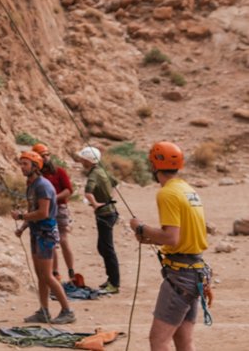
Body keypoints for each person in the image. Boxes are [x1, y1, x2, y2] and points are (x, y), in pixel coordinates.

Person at [129, 141, 211, 351]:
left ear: (155, 165)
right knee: (184, 342)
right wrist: (150, 237)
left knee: (158, 341)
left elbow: (171, 237)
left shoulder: (167, 193)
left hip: (181, 276)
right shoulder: (188, 190)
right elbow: (182, 236)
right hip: (194, 273)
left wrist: (141, 228)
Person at [12, 150, 76, 324]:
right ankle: (44, 310)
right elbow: (33, 209)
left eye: (25, 164)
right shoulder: (31, 185)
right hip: (36, 233)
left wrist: (20, 218)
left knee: (47, 275)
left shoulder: (42, 186)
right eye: (21, 163)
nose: (22, 167)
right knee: (40, 275)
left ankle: (67, 311)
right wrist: (24, 227)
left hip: (46, 235)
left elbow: (43, 212)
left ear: (35, 166)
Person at [78, 145, 120, 294]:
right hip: (109, 212)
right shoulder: (101, 170)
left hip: (105, 214)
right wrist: (108, 197)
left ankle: (114, 284)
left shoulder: (94, 174)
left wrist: (95, 204)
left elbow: (87, 192)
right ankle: (111, 280)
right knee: (103, 247)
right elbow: (115, 183)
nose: (81, 161)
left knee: (107, 249)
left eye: (83, 159)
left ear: (88, 160)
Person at [33, 143, 76, 283]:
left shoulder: (58, 171)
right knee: (51, 242)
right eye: (42, 156)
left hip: (59, 208)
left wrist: (53, 198)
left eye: (47, 155)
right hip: (45, 211)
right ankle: (55, 273)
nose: (45, 158)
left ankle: (71, 271)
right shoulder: (37, 176)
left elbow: (68, 190)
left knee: (63, 239)